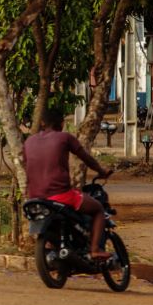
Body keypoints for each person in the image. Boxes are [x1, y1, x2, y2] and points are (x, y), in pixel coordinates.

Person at [23, 108, 113, 260]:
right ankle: (95, 249)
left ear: (42, 123)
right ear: (62, 123)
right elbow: (86, 158)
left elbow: (26, 168)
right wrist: (101, 171)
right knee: (98, 209)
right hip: (61, 195)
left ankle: (54, 245)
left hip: (35, 198)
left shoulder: (29, 141)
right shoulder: (64, 138)